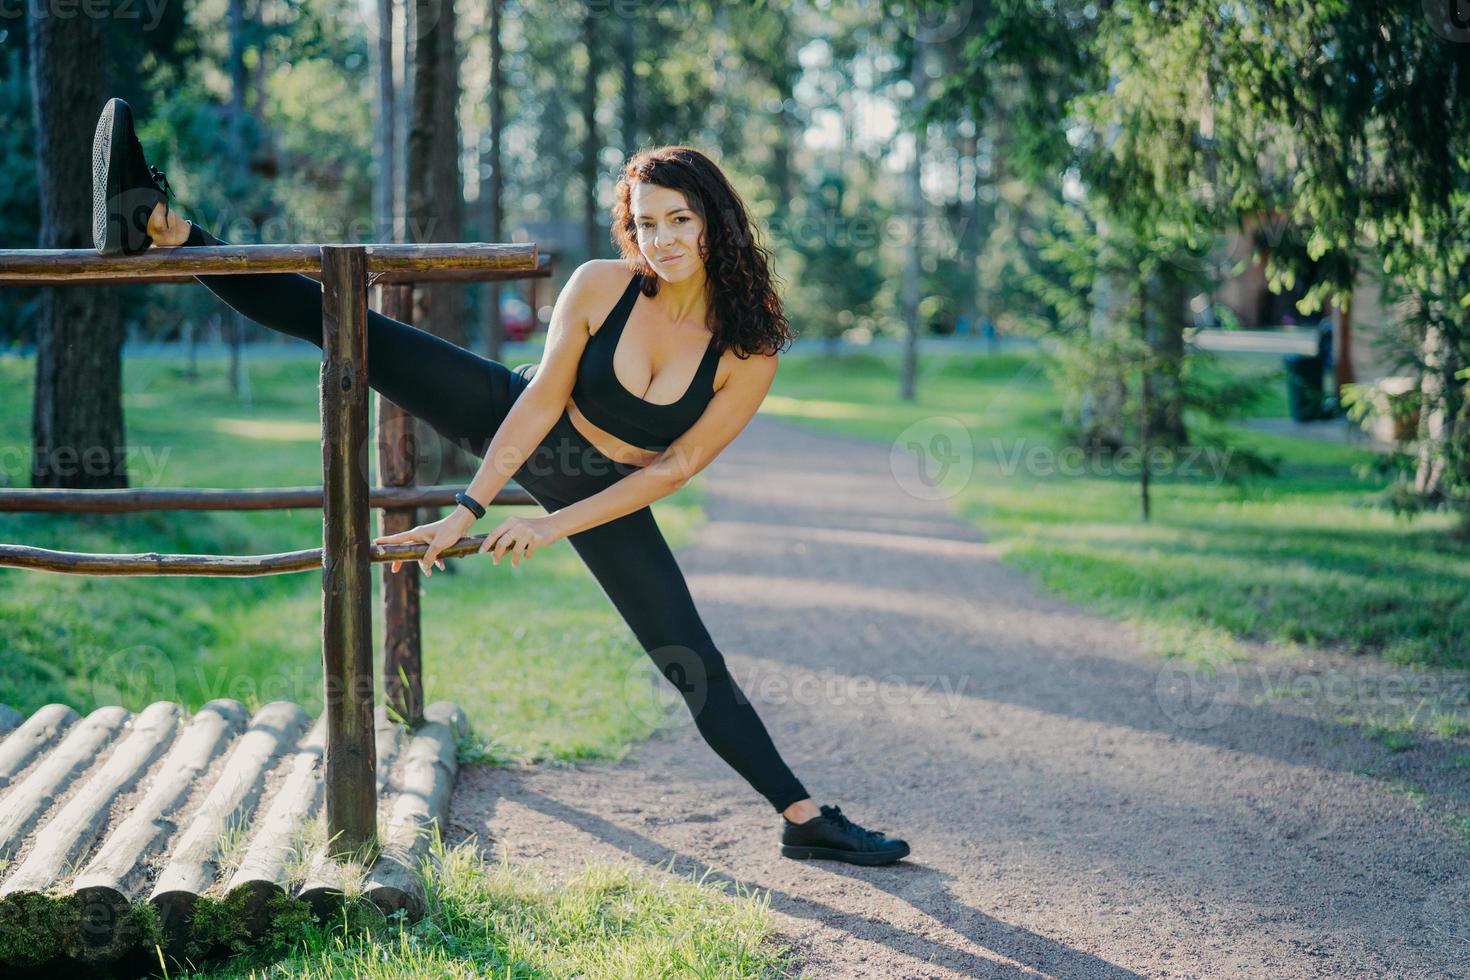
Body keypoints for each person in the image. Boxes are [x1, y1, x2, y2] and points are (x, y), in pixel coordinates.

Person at [91, 97, 910, 866]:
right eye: (646, 222)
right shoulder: (600, 285)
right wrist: (467, 508)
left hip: (604, 488)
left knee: (687, 653)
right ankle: (162, 225)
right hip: (515, 412)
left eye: (680, 221)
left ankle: (803, 821)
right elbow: (542, 401)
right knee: (343, 321)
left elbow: (677, 466)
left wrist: (557, 524)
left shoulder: (749, 348)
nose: (661, 240)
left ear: (714, 223)